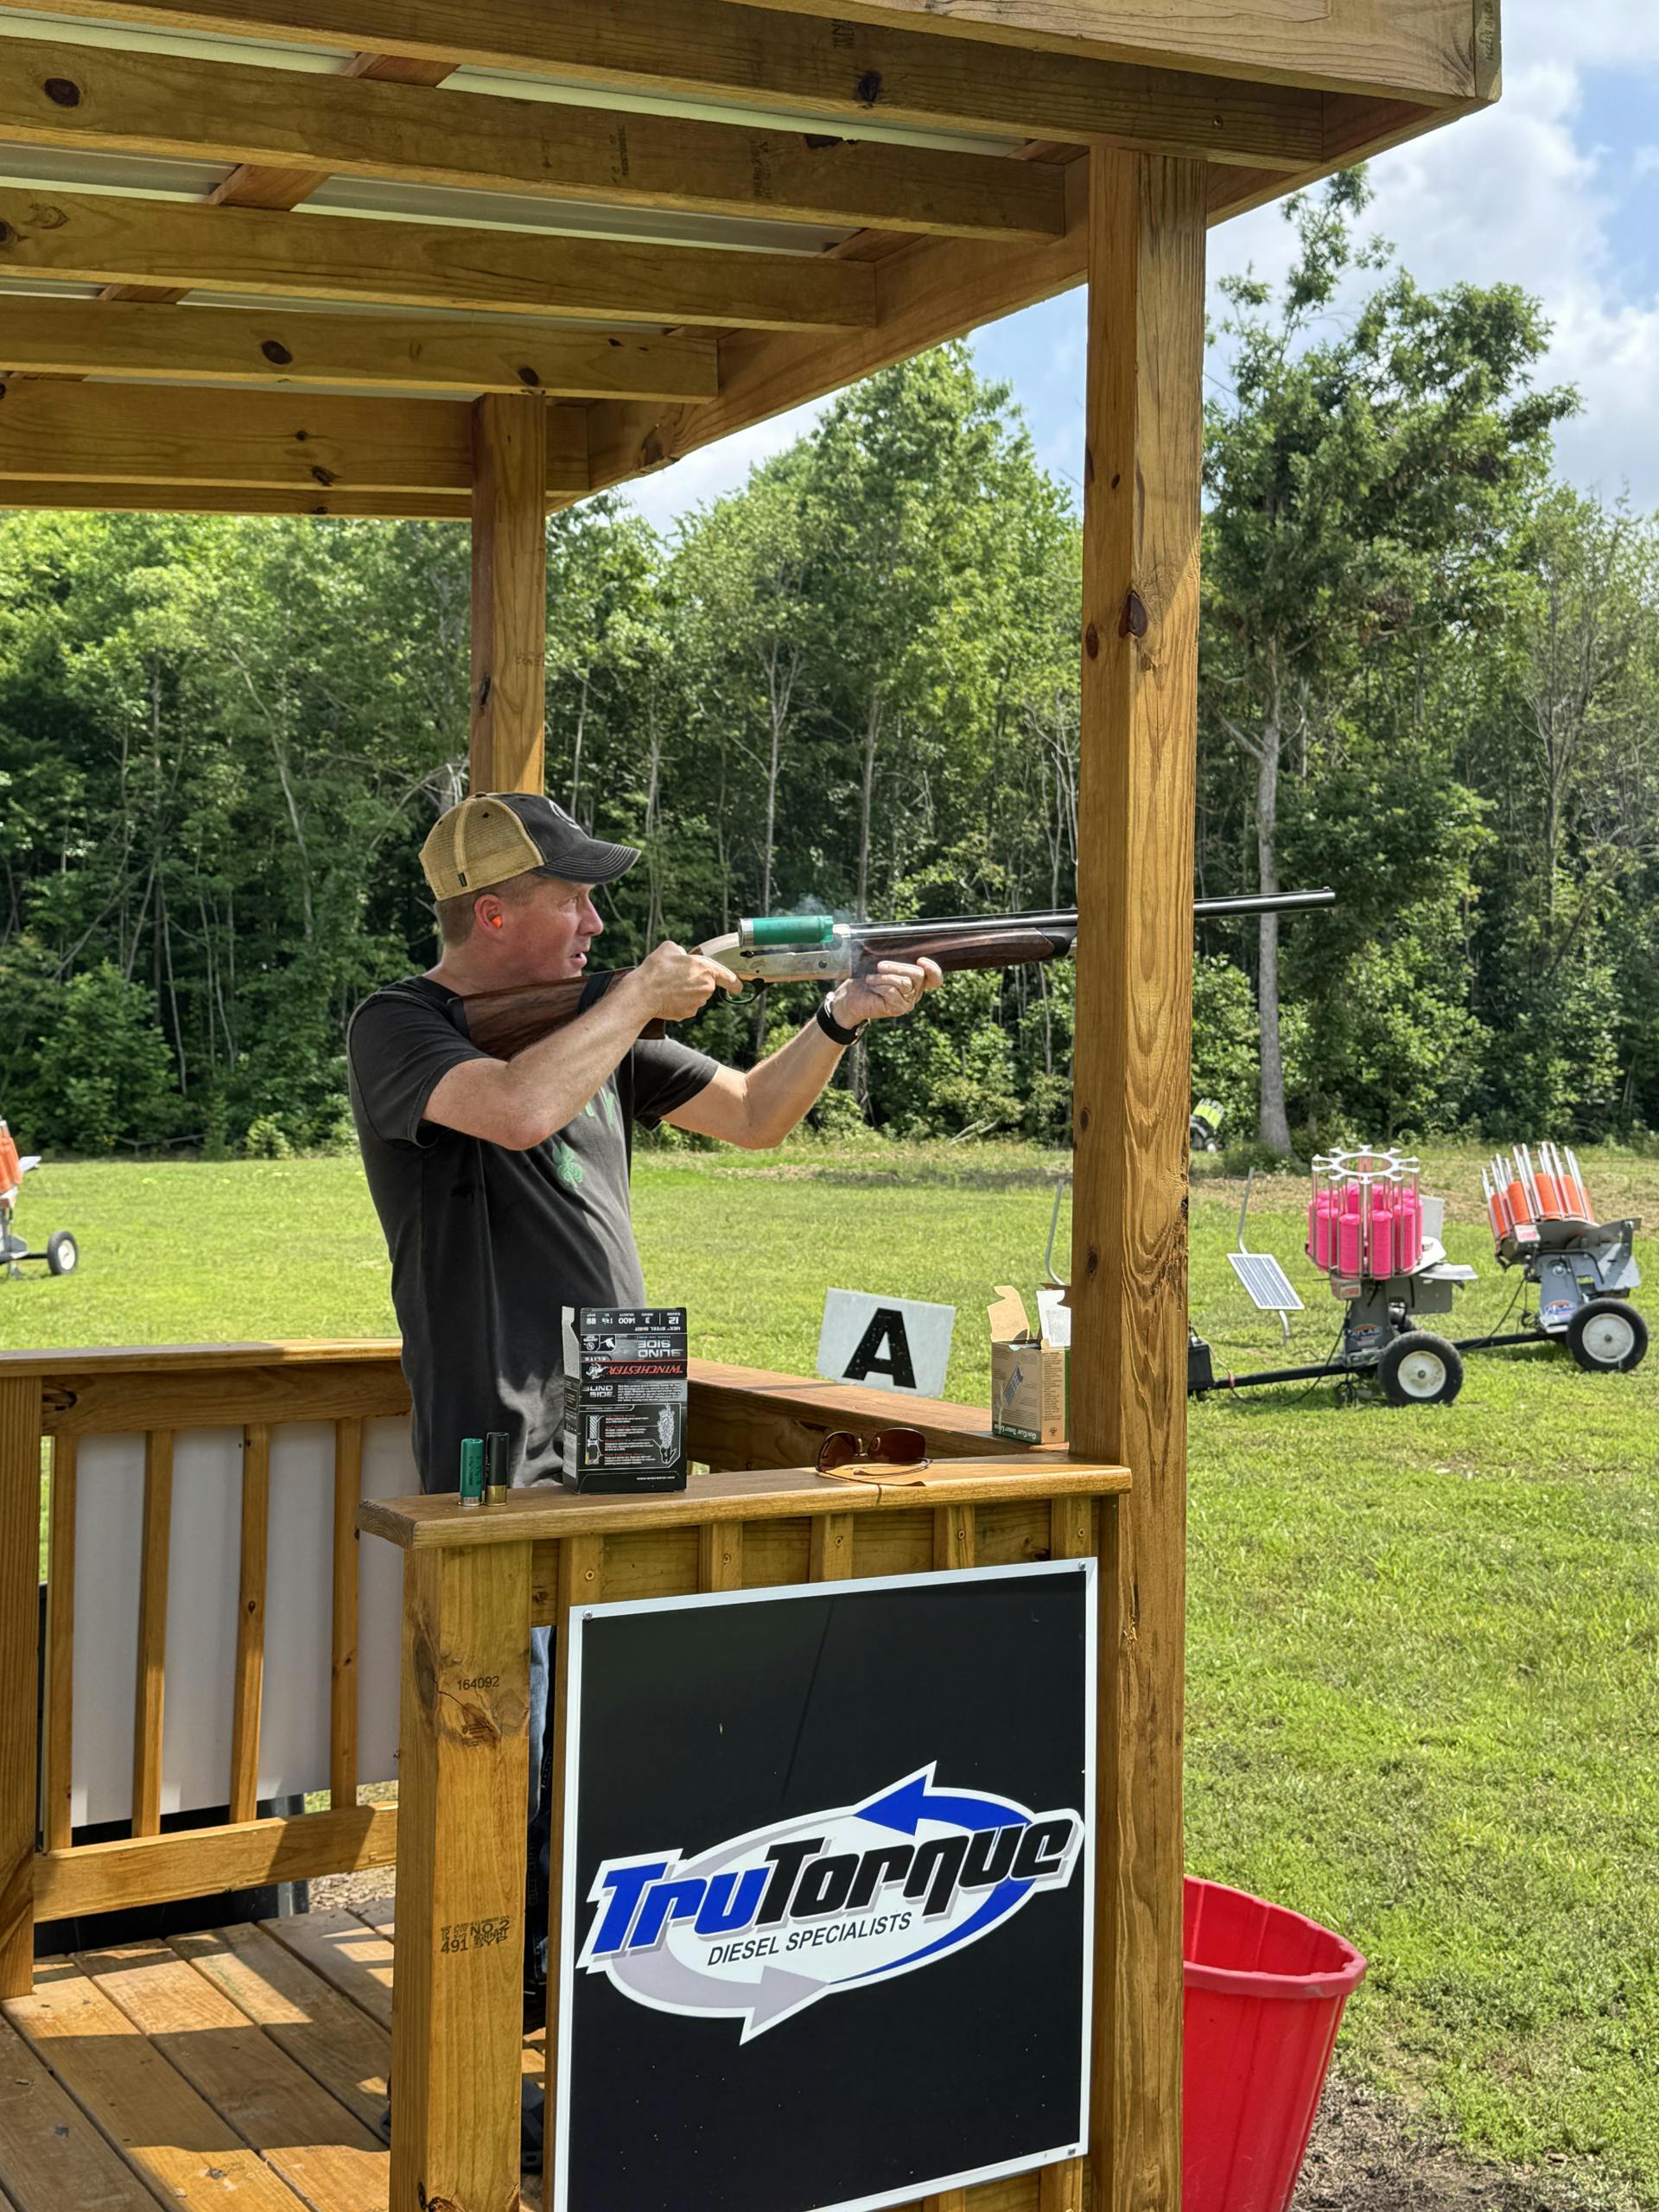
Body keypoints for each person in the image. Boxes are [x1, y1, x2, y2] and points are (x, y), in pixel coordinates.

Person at [346, 791, 938, 2154]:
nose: (600, 922)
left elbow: (754, 1115)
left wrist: (840, 1017)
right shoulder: (405, 1025)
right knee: (523, 1751)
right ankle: (482, 2051)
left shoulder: (592, 1031)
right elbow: (506, 1111)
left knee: (619, 1753)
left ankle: (600, 2023)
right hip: (504, 1437)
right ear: (495, 914)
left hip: (622, 1407)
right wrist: (635, 998)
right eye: (575, 901)